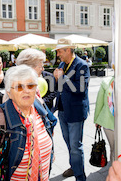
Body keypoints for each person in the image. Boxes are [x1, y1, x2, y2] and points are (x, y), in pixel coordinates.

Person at [0, 65, 57, 180]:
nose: (26, 90)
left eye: (30, 85)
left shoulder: (39, 105)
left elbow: (52, 121)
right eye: (19, 87)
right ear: (9, 92)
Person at [52, 38, 90, 181]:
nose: (58, 55)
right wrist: (56, 79)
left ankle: (80, 177)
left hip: (75, 112)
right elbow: (59, 88)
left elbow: (80, 89)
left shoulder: (82, 65)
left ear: (68, 50)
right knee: (69, 144)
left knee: (75, 146)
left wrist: (63, 78)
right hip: (62, 110)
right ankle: (75, 167)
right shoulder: (62, 64)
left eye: (60, 51)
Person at [94, 76, 115, 162]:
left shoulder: (107, 82)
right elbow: (99, 102)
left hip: (109, 122)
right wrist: (97, 120)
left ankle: (114, 170)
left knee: (114, 149)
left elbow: (99, 103)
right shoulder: (106, 82)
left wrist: (97, 120)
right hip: (109, 122)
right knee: (116, 148)